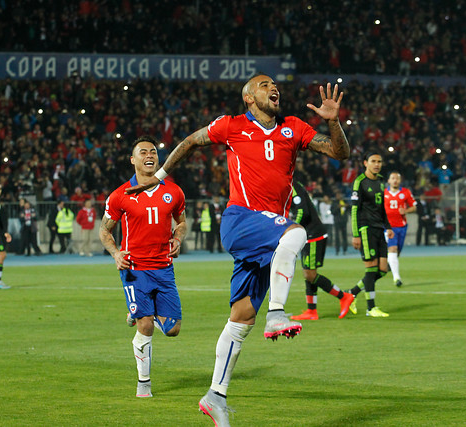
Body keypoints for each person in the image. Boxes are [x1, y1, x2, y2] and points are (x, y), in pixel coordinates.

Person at [126, 76, 349, 427]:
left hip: (265, 235)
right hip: (241, 219)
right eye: (263, 85)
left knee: (241, 318)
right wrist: (161, 176)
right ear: (248, 97)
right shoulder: (231, 126)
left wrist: (334, 121)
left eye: (274, 85)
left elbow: (340, 152)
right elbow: (190, 142)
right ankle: (277, 313)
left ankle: (215, 395)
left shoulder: (294, 127)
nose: (272, 88)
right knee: (296, 234)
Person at [99, 135, 187, 399]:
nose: (149, 156)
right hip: (134, 269)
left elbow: (181, 222)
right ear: (132, 160)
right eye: (143, 152)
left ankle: (136, 313)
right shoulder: (120, 195)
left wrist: (178, 237)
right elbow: (105, 231)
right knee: (146, 326)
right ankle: (144, 385)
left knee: (173, 329)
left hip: (164, 268)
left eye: (153, 152)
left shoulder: (174, 191)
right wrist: (115, 253)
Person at [289, 181, 354, 320]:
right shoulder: (288, 186)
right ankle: (311, 311)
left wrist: (291, 227)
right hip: (307, 234)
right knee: (308, 272)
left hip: (313, 234)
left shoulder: (292, 186)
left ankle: (344, 297)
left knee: (310, 274)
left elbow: (302, 211)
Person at [348, 153, 394, 318]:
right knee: (371, 268)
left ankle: (351, 294)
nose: (377, 164)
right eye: (373, 161)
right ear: (366, 163)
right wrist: (356, 234)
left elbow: (381, 207)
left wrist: (387, 226)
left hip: (379, 229)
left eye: (379, 161)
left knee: (382, 270)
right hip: (366, 229)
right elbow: (354, 210)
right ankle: (371, 308)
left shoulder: (381, 181)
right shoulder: (359, 182)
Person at [383, 171, 416, 287]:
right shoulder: (383, 194)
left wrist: (406, 211)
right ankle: (397, 278)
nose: (395, 180)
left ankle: (389, 264)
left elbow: (414, 207)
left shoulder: (405, 192)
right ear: (389, 181)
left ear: (400, 181)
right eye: (392, 178)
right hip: (388, 227)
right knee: (392, 249)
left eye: (397, 178)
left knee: (397, 252)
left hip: (401, 226)